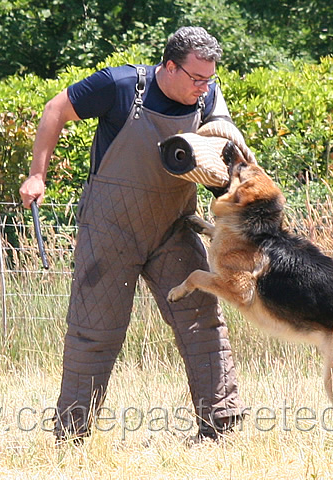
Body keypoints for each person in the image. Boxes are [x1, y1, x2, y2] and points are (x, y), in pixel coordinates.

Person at [19, 26, 246, 443]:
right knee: (94, 332)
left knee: (202, 323)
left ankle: (222, 429)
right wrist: (37, 174)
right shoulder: (122, 85)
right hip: (110, 230)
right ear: (170, 66)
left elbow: (228, 145)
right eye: (196, 78)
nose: (204, 87)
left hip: (174, 229)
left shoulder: (209, 97)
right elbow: (55, 110)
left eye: (210, 79)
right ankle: (71, 438)